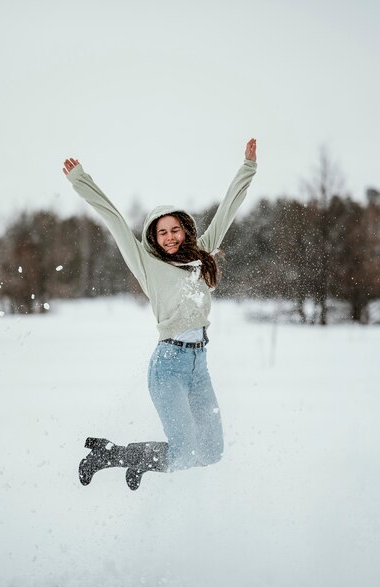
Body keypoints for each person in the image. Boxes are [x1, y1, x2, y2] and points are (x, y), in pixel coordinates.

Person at [63, 138, 257, 490]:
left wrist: (247, 168)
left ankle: (135, 458)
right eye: (162, 232)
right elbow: (114, 218)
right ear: (153, 236)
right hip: (168, 365)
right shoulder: (146, 264)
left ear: (185, 231)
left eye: (175, 230)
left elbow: (227, 211)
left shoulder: (200, 255)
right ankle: (114, 455)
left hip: (199, 366)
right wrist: (81, 179)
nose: (169, 237)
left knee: (211, 452)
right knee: (183, 453)